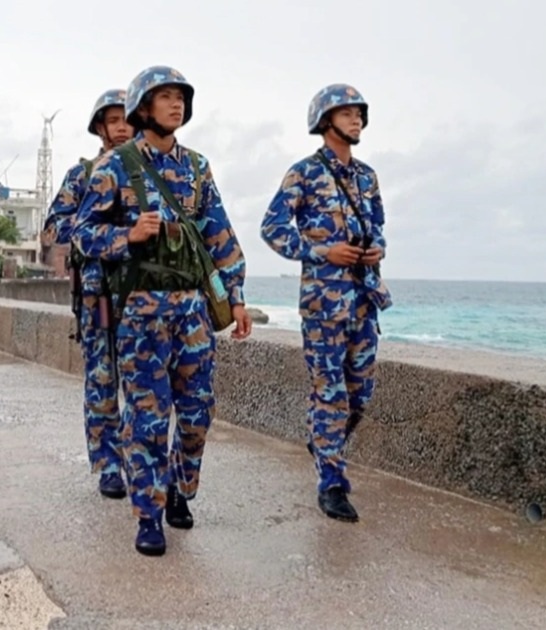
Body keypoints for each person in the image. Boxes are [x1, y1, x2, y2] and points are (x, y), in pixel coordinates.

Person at [72, 65, 252, 556]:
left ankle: (179, 487)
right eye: (165, 96)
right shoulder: (116, 167)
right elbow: (82, 233)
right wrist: (126, 235)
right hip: (141, 313)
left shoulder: (196, 168)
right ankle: (148, 516)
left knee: (197, 412)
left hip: (193, 311)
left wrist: (236, 297)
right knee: (148, 418)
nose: (176, 104)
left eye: (180, 97)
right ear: (143, 107)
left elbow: (220, 235)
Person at [260, 83, 393, 524]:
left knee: (360, 394)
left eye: (359, 113)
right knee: (329, 393)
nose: (357, 119)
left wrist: (376, 248)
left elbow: (377, 225)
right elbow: (272, 228)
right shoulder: (304, 173)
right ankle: (332, 483)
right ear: (325, 120)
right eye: (347, 112)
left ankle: (322, 441)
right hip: (323, 305)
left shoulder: (367, 176)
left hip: (364, 299)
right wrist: (322, 252)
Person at [40, 88, 134, 499]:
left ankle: (139, 461)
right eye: (114, 121)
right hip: (98, 296)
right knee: (102, 380)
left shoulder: (150, 173)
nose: (122, 128)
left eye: (128, 119)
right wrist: (98, 227)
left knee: (145, 386)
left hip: (143, 295)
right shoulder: (82, 175)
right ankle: (108, 464)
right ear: (100, 128)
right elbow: (52, 229)